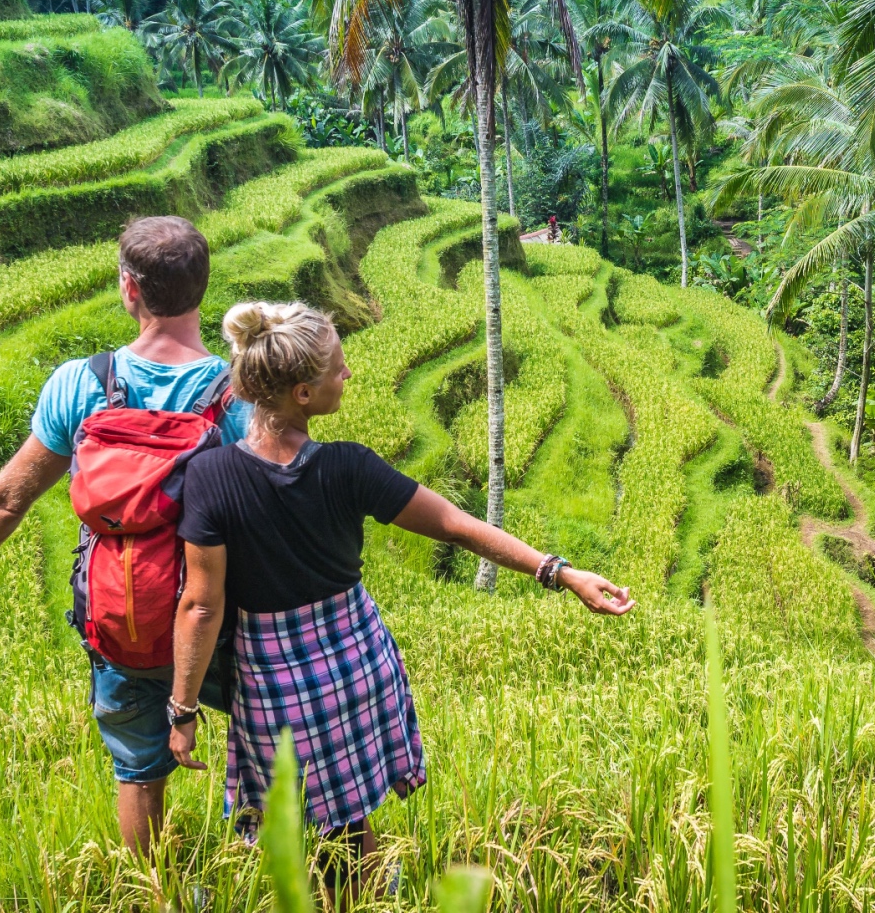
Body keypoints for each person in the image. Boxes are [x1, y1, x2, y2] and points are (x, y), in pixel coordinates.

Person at [166, 300, 634, 895]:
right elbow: (457, 525)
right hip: (357, 661)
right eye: (338, 368)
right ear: (303, 394)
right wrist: (560, 572)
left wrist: (182, 712)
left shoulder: (211, 477)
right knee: (351, 814)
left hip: (274, 678)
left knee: (289, 820)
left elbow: (201, 606)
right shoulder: (347, 467)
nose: (348, 375)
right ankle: (360, 897)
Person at [0, 215, 253, 856]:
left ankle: (159, 897)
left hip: (121, 614)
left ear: (130, 289)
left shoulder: (82, 384)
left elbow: (4, 503)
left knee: (139, 773)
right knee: (279, 744)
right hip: (220, 619)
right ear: (204, 289)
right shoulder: (238, 394)